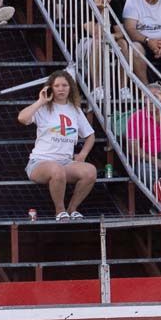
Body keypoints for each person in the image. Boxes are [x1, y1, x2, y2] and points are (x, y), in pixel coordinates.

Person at [18, 69, 96, 220]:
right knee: (56, 170)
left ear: (70, 88)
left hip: (66, 162)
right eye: (57, 85)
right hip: (40, 162)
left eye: (65, 85)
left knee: (90, 171)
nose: (61, 89)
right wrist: (41, 101)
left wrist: (82, 155)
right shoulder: (43, 108)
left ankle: (72, 209)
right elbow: (22, 118)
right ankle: (60, 211)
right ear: (50, 88)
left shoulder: (75, 110)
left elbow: (90, 136)